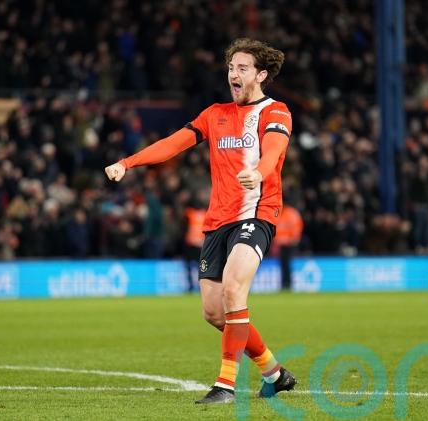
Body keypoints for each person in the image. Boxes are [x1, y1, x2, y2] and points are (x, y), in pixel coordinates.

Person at [105, 38, 296, 404]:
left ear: (261, 75)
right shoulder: (215, 114)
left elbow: (274, 149)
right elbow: (173, 144)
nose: (233, 74)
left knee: (233, 290)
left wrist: (259, 172)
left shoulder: (276, 111)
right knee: (214, 312)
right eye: (231, 68)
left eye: (242, 68)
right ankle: (274, 373)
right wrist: (127, 163)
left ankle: (225, 386)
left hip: (256, 213)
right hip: (218, 220)